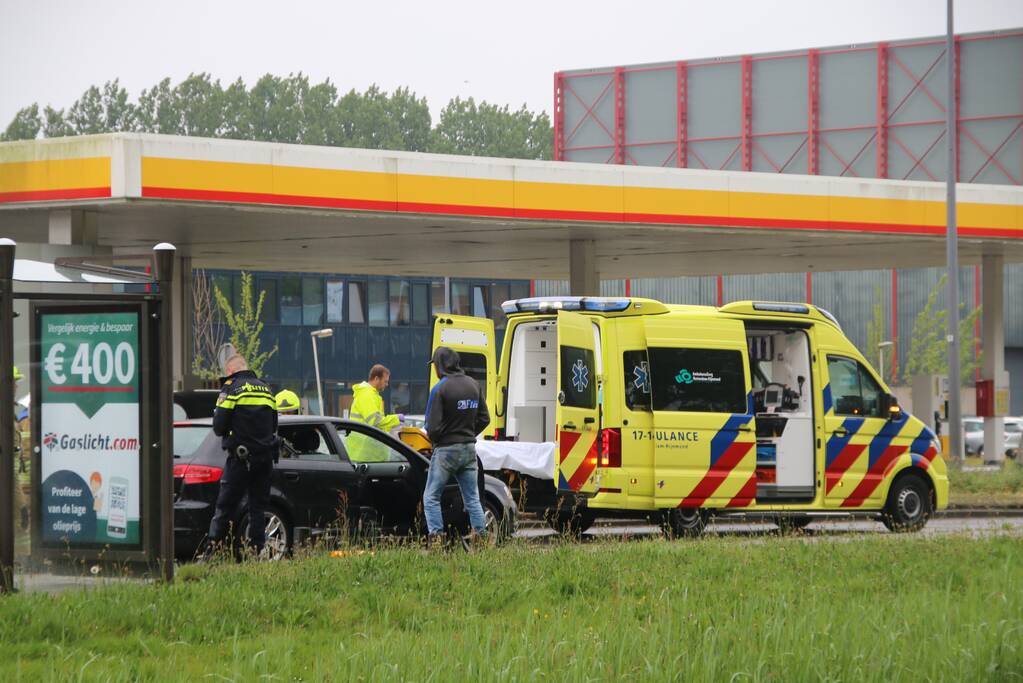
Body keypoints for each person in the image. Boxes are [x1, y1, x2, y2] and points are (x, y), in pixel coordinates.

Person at [205, 354, 279, 557]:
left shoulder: (231, 387)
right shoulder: (266, 389)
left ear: (230, 371)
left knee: (224, 508)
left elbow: (219, 427)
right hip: (264, 460)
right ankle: (257, 553)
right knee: (258, 509)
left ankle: (212, 554)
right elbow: (273, 426)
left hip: (240, 459)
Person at [422, 346, 490, 546]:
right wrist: (468, 433)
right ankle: (482, 539)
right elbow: (485, 418)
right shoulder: (473, 385)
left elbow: (431, 427)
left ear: (441, 365)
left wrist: (442, 439)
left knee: (431, 496)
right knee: (472, 498)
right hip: (469, 449)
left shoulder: (440, 388)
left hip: (446, 451)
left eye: (435, 365)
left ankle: (437, 540)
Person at [348, 364, 404, 462]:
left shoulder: (371, 394)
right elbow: (376, 422)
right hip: (365, 454)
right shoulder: (367, 395)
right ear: (376, 378)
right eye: (385, 381)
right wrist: (396, 419)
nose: (387, 384)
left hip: (366, 454)